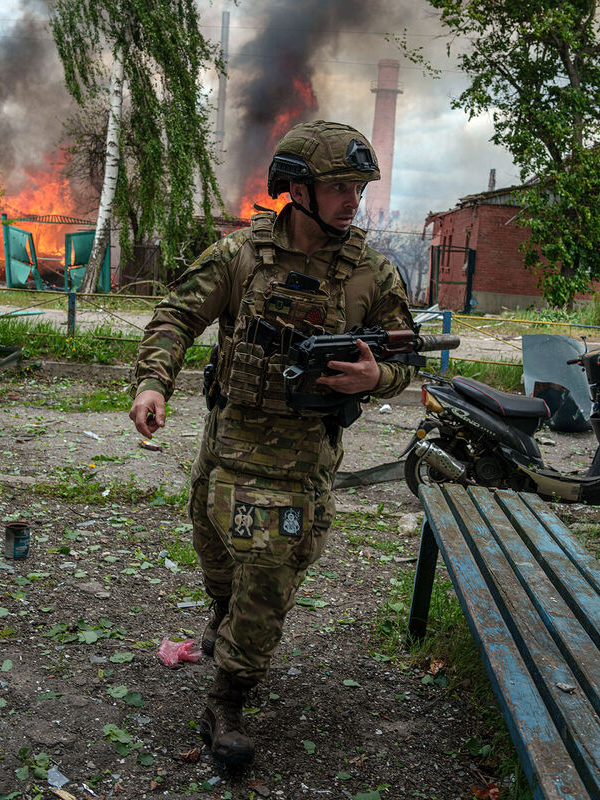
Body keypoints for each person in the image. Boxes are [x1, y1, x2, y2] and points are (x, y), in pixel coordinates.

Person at [128, 120, 416, 767]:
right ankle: (221, 616)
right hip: (228, 446)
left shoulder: (371, 273)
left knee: (268, 574)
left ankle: (227, 699)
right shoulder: (242, 255)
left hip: (301, 463)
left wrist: (378, 375)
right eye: (339, 187)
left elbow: (408, 358)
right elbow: (178, 312)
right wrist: (153, 383)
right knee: (215, 550)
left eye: (359, 188)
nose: (353, 200)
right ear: (297, 189)